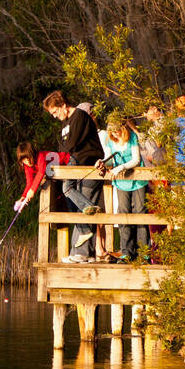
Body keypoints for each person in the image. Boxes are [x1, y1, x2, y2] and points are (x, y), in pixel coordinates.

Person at [43, 91, 104, 262]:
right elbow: (62, 147)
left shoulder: (80, 116)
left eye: (55, 112)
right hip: (75, 167)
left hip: (89, 165)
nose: (55, 116)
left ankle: (81, 253)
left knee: (79, 200)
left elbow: (71, 143)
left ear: (63, 105)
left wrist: (66, 150)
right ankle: (87, 253)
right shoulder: (65, 124)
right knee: (78, 206)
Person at [98, 111, 147, 262]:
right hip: (121, 182)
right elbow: (108, 158)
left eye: (117, 129)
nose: (115, 133)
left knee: (140, 213)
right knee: (123, 213)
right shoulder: (110, 140)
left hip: (137, 180)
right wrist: (101, 163)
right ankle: (126, 251)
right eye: (112, 130)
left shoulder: (132, 138)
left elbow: (136, 160)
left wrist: (120, 168)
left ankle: (143, 252)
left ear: (123, 128)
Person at [13, 141, 68, 213]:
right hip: (60, 175)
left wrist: (32, 190)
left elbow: (41, 172)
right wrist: (23, 198)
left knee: (68, 192)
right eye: (24, 160)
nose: (28, 161)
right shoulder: (27, 167)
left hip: (68, 162)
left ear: (32, 154)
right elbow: (29, 183)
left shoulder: (40, 156)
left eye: (28, 158)